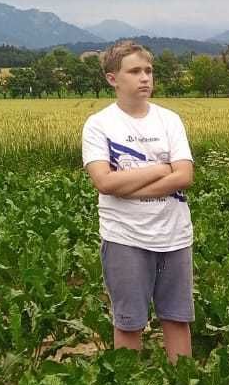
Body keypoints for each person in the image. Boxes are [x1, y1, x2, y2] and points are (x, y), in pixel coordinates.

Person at [80, 41, 195, 361]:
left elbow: (185, 176)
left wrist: (128, 186)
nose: (145, 78)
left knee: (177, 317)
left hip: (174, 235)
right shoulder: (99, 124)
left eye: (148, 71)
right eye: (134, 71)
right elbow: (104, 182)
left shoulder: (169, 120)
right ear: (112, 79)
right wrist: (161, 169)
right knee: (129, 322)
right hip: (125, 237)